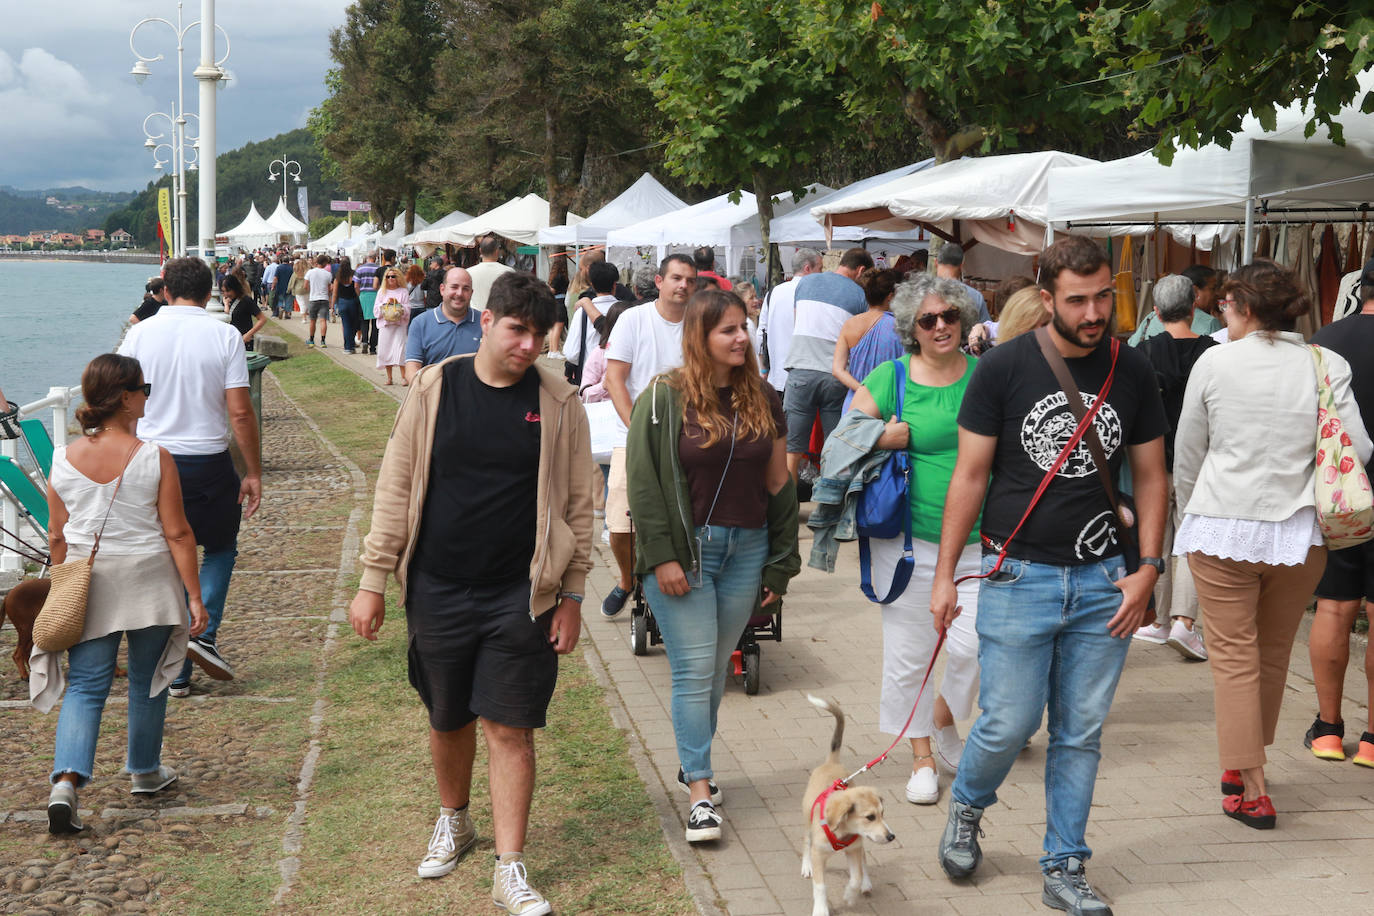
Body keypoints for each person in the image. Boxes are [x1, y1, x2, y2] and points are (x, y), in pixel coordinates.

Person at [931, 235, 1168, 912]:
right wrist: (947, 575)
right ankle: (969, 807)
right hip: (1018, 572)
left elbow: (1152, 478)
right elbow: (970, 476)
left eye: (1104, 297)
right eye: (1079, 300)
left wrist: (1149, 568)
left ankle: (1065, 864)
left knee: (1080, 733)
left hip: (1105, 581)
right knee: (1006, 721)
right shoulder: (1003, 367)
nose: (1095, 312)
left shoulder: (1134, 369)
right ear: (1047, 295)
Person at [349, 271, 592, 914]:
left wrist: (572, 594)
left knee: (511, 727)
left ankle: (509, 865)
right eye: (517, 330)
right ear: (486, 322)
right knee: (447, 715)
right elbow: (396, 486)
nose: (528, 346)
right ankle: (454, 819)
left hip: (524, 593)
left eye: (540, 335)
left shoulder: (560, 402)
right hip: (436, 585)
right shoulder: (435, 386)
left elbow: (579, 504)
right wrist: (374, 580)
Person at [1174, 260, 1372, 829]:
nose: (1222, 314)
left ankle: (1252, 781)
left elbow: (1189, 449)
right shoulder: (1325, 362)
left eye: (1226, 305)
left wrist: (1191, 510)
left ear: (1244, 305)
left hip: (1221, 523)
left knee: (1234, 660)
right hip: (1300, 530)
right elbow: (1356, 446)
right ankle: (1242, 770)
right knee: (1269, 656)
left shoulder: (1214, 360)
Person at [626, 287, 798, 843]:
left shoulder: (764, 399)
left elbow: (778, 483)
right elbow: (645, 485)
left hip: (746, 550)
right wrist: (662, 557)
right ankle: (700, 790)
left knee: (716, 672)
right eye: (728, 330)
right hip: (686, 552)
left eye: (743, 327)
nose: (742, 337)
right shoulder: (662, 399)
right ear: (699, 337)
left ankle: (690, 760)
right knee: (695, 672)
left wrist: (781, 563)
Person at [32, 354, 208, 834]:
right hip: (149, 579)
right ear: (127, 398)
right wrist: (194, 596)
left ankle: (65, 783)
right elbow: (177, 534)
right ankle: (145, 771)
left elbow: (57, 535)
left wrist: (63, 579)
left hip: (90, 582)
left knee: (87, 685)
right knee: (149, 681)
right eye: (143, 388)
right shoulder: (153, 456)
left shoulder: (63, 457)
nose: (147, 396)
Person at [850, 275, 982, 806]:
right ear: (912, 329)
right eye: (928, 320)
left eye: (949, 316)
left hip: (980, 538)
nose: (941, 326)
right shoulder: (892, 377)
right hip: (906, 541)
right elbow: (843, 443)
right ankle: (923, 755)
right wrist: (885, 435)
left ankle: (943, 719)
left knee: (979, 646)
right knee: (911, 653)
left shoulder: (984, 375)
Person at [117, 256, 263, 699]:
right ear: (211, 293)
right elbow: (239, 410)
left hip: (149, 460)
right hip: (206, 461)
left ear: (164, 291)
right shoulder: (224, 335)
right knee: (219, 548)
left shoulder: (138, 334)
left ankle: (175, 668)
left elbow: (118, 400)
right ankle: (202, 634)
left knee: (166, 556)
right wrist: (252, 471)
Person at [601, 254, 698, 618]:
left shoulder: (700, 323)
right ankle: (626, 581)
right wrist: (638, 430)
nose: (683, 286)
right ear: (659, 282)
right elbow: (615, 380)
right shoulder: (633, 319)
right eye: (676, 278)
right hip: (634, 431)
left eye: (689, 280)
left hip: (689, 432)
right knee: (620, 521)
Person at [1307, 258, 1374, 765]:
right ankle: (1373, 741)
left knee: (1334, 604)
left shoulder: (1325, 341)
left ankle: (1329, 729)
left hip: (1340, 492)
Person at [1130, 275, 1217, 659]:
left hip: (1152, 460)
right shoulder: (1213, 351)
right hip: (1200, 461)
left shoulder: (1143, 353)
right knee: (1191, 539)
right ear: (1195, 307)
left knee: (1158, 540)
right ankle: (1184, 623)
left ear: (1156, 312)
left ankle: (1163, 621)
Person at [783, 247, 874, 480]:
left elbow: (798, 322)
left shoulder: (806, 283)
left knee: (792, 449)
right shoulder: (860, 295)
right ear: (861, 270)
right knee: (834, 446)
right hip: (836, 375)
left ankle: (788, 510)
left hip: (801, 370)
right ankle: (828, 506)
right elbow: (857, 340)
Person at [832, 268, 904, 414]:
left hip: (854, 403)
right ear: (890, 296)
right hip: (887, 405)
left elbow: (837, 370)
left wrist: (862, 390)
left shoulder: (850, 324)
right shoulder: (900, 327)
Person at [757, 248, 822, 394]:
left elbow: (761, 335)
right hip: (808, 378)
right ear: (807, 268)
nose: (821, 273)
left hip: (777, 379)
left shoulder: (772, 293)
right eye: (820, 268)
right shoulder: (815, 294)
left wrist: (764, 369)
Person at [404, 266, 483, 383]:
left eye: (465, 289)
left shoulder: (485, 323)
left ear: (471, 293)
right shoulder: (420, 324)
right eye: (454, 287)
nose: (459, 293)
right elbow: (412, 369)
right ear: (442, 289)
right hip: (435, 397)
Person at [1129, 265, 1225, 344]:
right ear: (1195, 292)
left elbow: (1132, 345)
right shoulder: (1210, 323)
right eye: (1213, 289)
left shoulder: (1151, 317)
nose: (1217, 294)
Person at [561, 261, 620, 385]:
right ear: (615, 285)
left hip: (588, 379)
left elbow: (571, 353)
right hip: (618, 377)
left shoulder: (582, 312)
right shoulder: (624, 310)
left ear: (592, 284)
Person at [375, 267, 412, 385]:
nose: (390, 279)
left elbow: (408, 308)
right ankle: (389, 378)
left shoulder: (403, 291)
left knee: (401, 350)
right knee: (385, 351)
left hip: (399, 325)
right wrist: (386, 304)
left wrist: (398, 305)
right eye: (388, 276)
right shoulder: (382, 291)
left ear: (398, 278)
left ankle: (404, 377)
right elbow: (375, 309)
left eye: (393, 276)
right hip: (386, 326)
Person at [467, 236, 514, 312]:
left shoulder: (468, 273)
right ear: (497, 251)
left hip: (475, 318)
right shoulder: (509, 272)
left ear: (480, 251)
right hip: (499, 317)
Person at [224, 275, 267, 353]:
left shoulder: (246, 300)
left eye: (228, 291)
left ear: (235, 288)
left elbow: (262, 319)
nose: (226, 294)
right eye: (223, 291)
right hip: (231, 341)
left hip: (244, 341)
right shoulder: (228, 300)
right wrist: (226, 304)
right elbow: (228, 316)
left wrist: (249, 334)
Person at [332, 257, 363, 354]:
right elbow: (357, 287)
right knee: (354, 324)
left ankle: (347, 347)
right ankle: (352, 345)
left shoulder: (338, 277)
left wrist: (332, 306)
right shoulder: (354, 274)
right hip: (353, 301)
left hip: (342, 302)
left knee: (346, 325)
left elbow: (335, 293)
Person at [305, 255, 335, 348]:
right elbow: (330, 288)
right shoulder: (328, 274)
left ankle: (311, 339)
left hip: (314, 298)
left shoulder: (310, 272)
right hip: (324, 298)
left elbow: (305, 285)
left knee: (312, 320)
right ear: (325, 263)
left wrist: (311, 290)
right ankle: (322, 341)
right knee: (323, 320)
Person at [355, 252, 381, 355]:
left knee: (364, 321)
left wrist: (359, 294)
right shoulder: (378, 269)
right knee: (375, 323)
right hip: (376, 295)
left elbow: (356, 285)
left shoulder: (360, 269)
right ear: (375, 258)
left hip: (364, 295)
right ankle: (373, 347)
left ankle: (365, 341)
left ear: (367, 258)